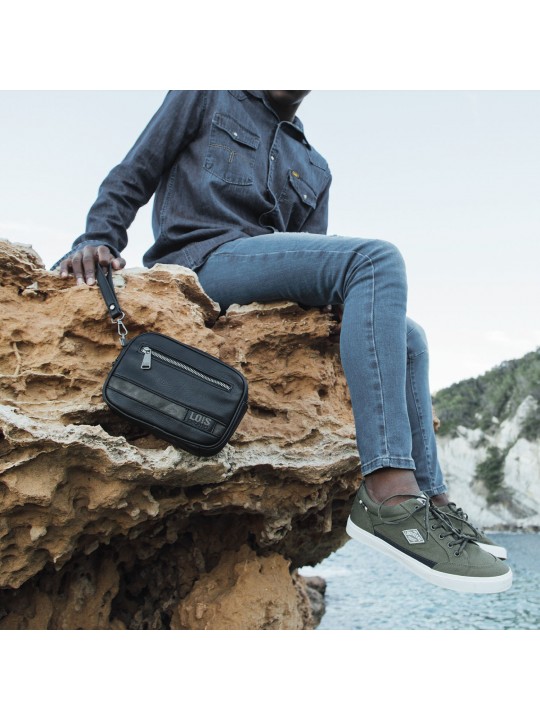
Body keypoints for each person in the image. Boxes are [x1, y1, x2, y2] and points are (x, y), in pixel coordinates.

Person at [53, 90, 512, 593]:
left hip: (264, 278)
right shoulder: (206, 93)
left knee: (410, 338)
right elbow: (136, 169)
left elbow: (312, 258)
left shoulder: (315, 166)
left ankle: (434, 504)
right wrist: (98, 236)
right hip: (202, 259)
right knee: (376, 259)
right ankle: (389, 494)